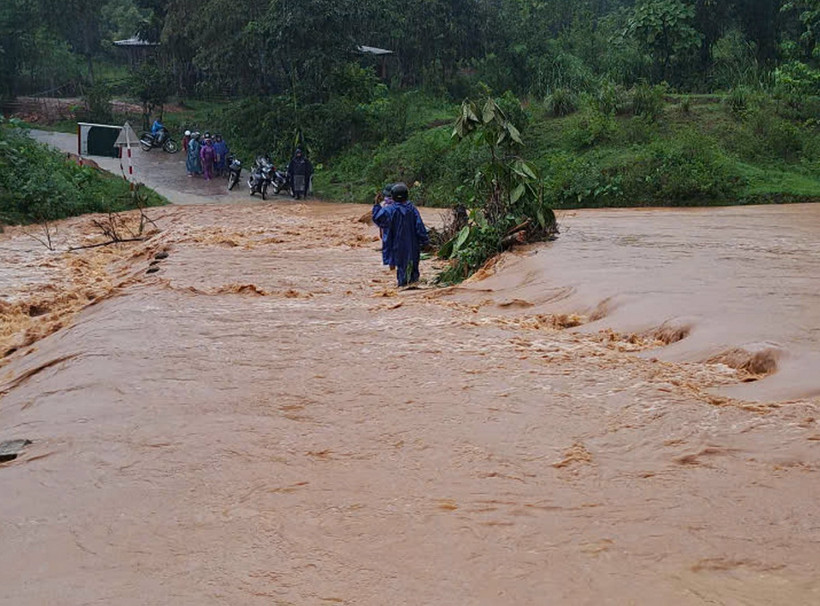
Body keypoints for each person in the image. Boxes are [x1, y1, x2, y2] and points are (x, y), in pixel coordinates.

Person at [372, 182, 429, 287]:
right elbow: (420, 226)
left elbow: (377, 218)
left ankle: (403, 286)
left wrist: (376, 204)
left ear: (393, 196)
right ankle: (412, 286)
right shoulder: (412, 209)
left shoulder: (389, 210)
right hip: (412, 245)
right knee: (413, 267)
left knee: (402, 268)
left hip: (397, 245)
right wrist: (425, 241)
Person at [377, 183, 395, 268]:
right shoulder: (401, 203)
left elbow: (379, 219)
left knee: (389, 250)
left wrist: (381, 232)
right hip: (398, 230)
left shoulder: (383, 205)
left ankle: (392, 267)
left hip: (386, 231)